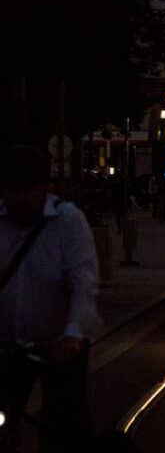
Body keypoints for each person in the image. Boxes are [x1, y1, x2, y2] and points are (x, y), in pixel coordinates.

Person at [0, 144, 99, 452]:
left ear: (45, 189)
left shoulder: (68, 222)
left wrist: (72, 335)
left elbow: (83, 282)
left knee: (62, 427)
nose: (21, 199)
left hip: (58, 347)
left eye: (28, 190)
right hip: (6, 348)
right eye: (13, 190)